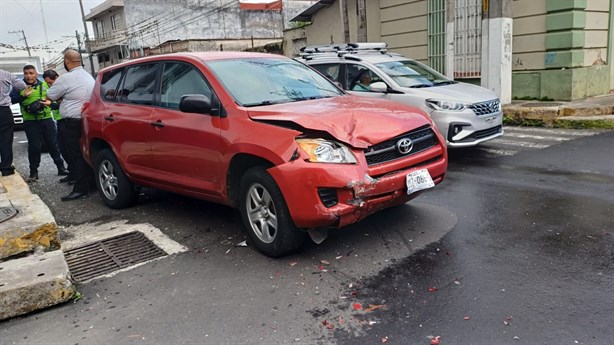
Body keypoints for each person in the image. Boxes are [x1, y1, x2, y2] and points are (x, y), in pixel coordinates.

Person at [46, 49, 95, 202]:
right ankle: (91, 184)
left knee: (75, 155)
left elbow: (51, 95)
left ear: (66, 62)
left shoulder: (66, 78)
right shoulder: (89, 77)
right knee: (85, 153)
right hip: (86, 120)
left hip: (72, 123)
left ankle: (81, 189)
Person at [13, 64, 68, 182]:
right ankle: (33, 173)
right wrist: (23, 96)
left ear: (36, 74)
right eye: (26, 73)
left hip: (46, 119)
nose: (28, 76)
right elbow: (10, 99)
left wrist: (49, 102)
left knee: (53, 144)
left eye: (31, 73)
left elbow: (56, 98)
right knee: (34, 147)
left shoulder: (44, 84)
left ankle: (61, 167)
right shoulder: (19, 86)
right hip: (30, 122)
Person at [43, 69, 75, 185]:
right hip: (59, 120)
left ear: (56, 77)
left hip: (67, 120)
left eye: (51, 82)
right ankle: (72, 173)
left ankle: (75, 175)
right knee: (63, 149)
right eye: (47, 84)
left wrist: (51, 104)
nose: (49, 85)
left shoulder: (63, 87)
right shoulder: (54, 89)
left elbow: (62, 104)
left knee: (70, 150)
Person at [0, 69, 27, 176]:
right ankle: (6, 168)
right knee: (5, 139)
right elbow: (21, 86)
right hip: (3, 111)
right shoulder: (5, 74)